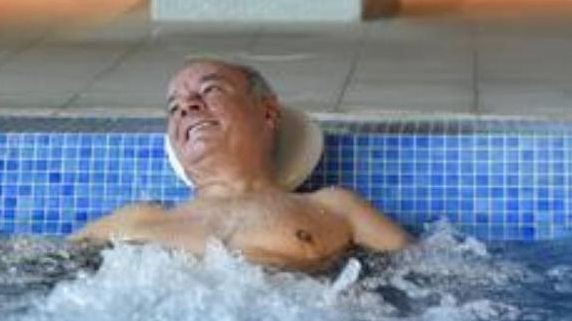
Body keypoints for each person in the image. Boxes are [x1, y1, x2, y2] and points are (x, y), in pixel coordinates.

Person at [71, 58, 411, 272]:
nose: (187, 106)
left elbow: (426, 275)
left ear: (267, 112)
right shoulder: (137, 218)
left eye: (210, 91)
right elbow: (38, 271)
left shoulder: (333, 208)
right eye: (174, 108)